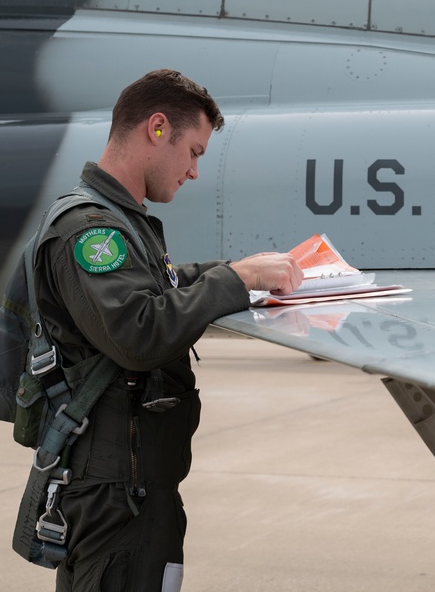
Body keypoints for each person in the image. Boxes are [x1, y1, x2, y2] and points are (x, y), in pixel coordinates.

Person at [33, 69, 303, 591]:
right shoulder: (92, 232)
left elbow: (164, 287)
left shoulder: (122, 222)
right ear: (157, 129)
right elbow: (139, 333)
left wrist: (239, 271)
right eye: (195, 152)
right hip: (115, 497)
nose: (195, 171)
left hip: (135, 489)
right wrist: (233, 280)